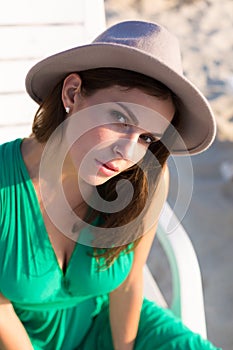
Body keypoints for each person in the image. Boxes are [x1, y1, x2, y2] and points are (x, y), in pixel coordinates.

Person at [0, 20, 220, 350]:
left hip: (114, 329)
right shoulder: (6, 187)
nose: (128, 152)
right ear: (72, 93)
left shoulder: (145, 178)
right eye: (120, 119)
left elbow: (129, 284)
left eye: (147, 137)